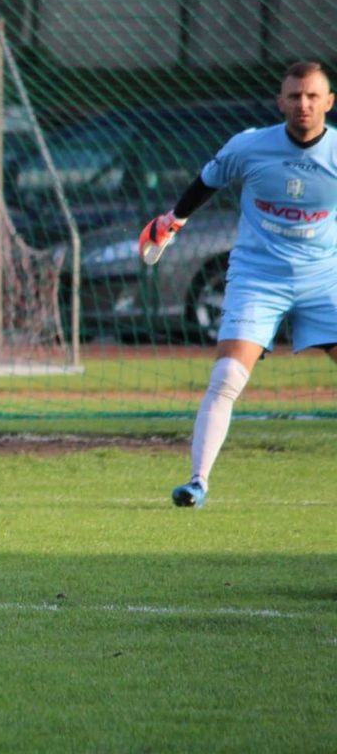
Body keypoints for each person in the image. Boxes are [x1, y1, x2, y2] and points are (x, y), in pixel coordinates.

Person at [138, 60, 337, 508]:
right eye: (294, 95)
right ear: (280, 102)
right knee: (226, 375)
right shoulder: (250, 146)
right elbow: (205, 183)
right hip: (258, 278)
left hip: (324, 278)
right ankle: (197, 483)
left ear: (329, 101)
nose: (303, 104)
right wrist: (172, 223)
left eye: (312, 96)